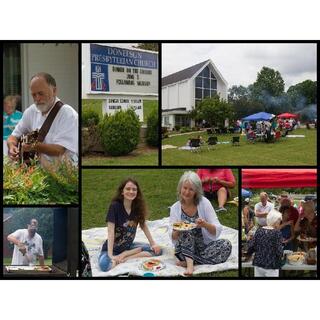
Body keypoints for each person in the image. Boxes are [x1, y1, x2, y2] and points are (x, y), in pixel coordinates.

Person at [7, 72, 78, 165]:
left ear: (54, 91)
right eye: (34, 95)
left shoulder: (68, 114)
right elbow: (13, 136)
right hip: (37, 174)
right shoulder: (30, 111)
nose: (37, 98)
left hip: (62, 175)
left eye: (41, 93)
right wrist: (12, 146)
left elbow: (59, 150)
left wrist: (34, 146)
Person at [169, 171, 232, 275]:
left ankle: (194, 261)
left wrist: (205, 224)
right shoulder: (175, 208)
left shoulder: (204, 203)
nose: (187, 192)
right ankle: (190, 266)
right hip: (183, 250)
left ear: (196, 191)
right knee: (187, 231)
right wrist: (178, 230)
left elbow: (217, 229)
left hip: (203, 248)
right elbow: (173, 237)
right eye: (185, 188)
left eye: (191, 189)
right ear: (180, 188)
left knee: (226, 244)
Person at [99, 178, 162, 272]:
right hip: (112, 248)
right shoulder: (114, 206)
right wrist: (111, 255)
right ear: (122, 191)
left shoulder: (137, 207)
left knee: (158, 251)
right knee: (104, 266)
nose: (131, 191)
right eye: (128, 189)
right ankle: (128, 254)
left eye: (134, 189)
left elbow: (143, 226)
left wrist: (153, 243)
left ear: (137, 192)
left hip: (128, 247)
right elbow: (110, 232)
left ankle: (126, 256)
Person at [247, 209, 283, 277]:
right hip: (271, 265)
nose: (280, 223)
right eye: (279, 221)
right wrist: (282, 255)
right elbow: (279, 251)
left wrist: (249, 253)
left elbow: (252, 246)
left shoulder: (259, 230)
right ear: (276, 221)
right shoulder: (277, 233)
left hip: (258, 263)